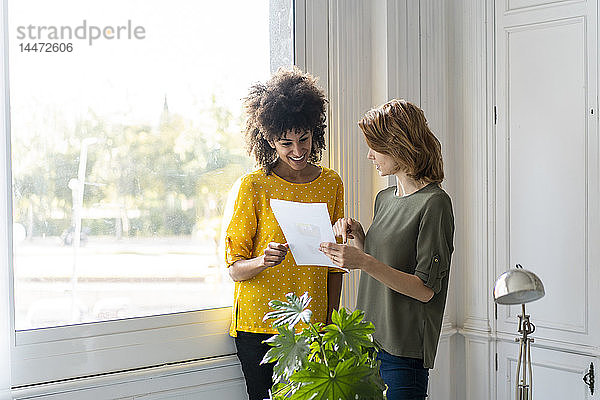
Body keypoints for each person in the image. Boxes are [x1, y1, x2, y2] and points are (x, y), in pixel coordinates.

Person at [319, 99, 454, 400]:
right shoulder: (385, 198)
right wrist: (359, 238)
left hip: (402, 353)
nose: (369, 155)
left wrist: (364, 261)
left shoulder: (435, 203)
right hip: (367, 342)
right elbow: (386, 264)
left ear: (398, 146)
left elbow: (424, 290)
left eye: (374, 147)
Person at [224, 67, 345, 400]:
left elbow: (336, 265)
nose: (297, 150)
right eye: (285, 142)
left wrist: (330, 321)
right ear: (269, 140)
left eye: (303, 139)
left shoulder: (330, 183)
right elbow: (234, 268)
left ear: (315, 133)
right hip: (258, 325)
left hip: (312, 325)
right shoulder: (254, 186)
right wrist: (264, 260)